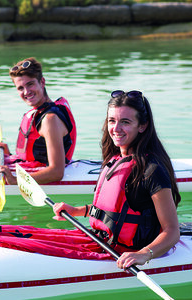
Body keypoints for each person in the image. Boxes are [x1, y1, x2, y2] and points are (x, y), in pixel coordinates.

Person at [53, 90, 180, 270]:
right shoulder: (114, 159)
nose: (116, 128)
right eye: (112, 121)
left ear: (142, 126)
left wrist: (144, 254)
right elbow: (108, 213)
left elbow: (172, 231)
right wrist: (75, 211)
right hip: (101, 242)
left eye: (125, 122)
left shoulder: (152, 170)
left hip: (129, 254)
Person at [0, 57, 77, 185]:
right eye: (20, 88)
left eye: (30, 84)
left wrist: (16, 181)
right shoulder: (40, 112)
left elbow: (57, 172)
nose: (26, 92)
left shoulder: (50, 119)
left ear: (42, 82)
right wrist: (9, 155)